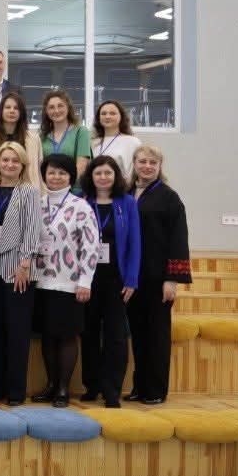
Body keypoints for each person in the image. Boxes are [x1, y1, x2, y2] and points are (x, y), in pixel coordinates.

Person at [31, 154, 100, 408]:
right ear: (44, 175)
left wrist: (85, 281)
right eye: (51, 172)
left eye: (62, 173)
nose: (56, 177)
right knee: (48, 335)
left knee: (67, 335)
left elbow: (91, 247)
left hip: (69, 283)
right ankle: (51, 385)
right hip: (41, 281)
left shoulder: (81, 206)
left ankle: (63, 388)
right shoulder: (38, 204)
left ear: (71, 176)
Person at [128, 145, 191, 405]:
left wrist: (171, 279)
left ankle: (155, 390)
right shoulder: (127, 193)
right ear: (134, 164)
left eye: (152, 163)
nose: (147, 166)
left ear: (159, 166)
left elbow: (179, 239)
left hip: (157, 279)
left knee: (156, 335)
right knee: (138, 334)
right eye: (142, 161)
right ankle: (139, 386)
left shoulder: (169, 197)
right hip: (132, 278)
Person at [79, 156, 141, 408]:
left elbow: (135, 242)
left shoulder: (127, 202)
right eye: (98, 173)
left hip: (117, 278)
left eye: (108, 173)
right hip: (88, 278)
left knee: (116, 336)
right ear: (91, 177)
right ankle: (92, 385)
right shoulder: (82, 202)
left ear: (116, 176)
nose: (103, 177)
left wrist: (132, 279)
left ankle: (112, 389)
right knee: (89, 333)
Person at [0, 141, 42, 407]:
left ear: (23, 165)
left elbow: (32, 229)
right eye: (5, 160)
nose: (9, 164)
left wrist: (25, 264)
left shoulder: (28, 191)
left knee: (17, 331)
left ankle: (16, 392)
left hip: (16, 268)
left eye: (15, 161)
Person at [0, 93, 42, 189]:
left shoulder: (34, 139)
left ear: (21, 112)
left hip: (27, 192)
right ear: (1, 111)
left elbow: (38, 168)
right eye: (8, 107)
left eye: (16, 108)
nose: (12, 111)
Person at [39, 91, 91, 180]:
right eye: (51, 107)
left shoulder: (81, 132)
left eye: (60, 106)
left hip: (73, 186)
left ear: (68, 108)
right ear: (46, 111)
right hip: (49, 186)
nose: (56, 110)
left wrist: (64, 184)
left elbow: (82, 166)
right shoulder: (42, 136)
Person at [91, 100, 142, 180]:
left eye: (112, 113)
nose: (107, 116)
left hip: (121, 186)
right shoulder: (93, 142)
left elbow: (134, 173)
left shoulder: (132, 142)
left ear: (121, 117)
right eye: (103, 113)